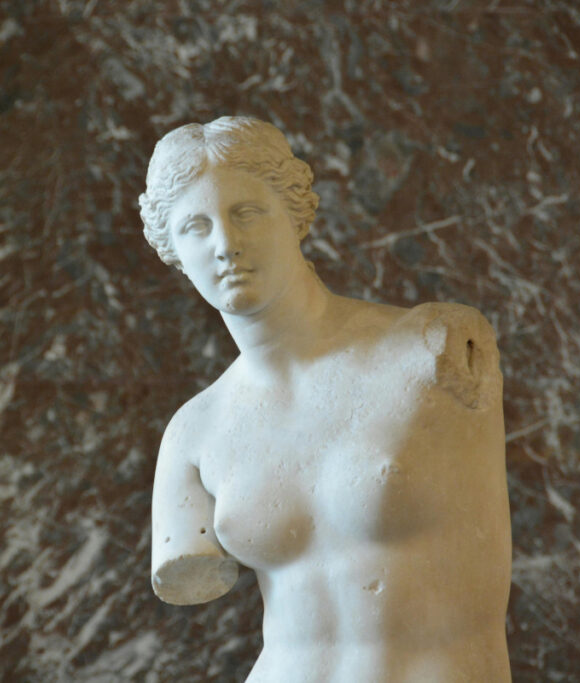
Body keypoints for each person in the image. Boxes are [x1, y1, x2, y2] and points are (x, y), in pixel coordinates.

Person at [140, 116, 511, 682]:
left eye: (246, 213)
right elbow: (189, 576)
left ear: (294, 214)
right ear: (173, 251)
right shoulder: (194, 433)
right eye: (195, 225)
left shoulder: (430, 349)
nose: (225, 245)